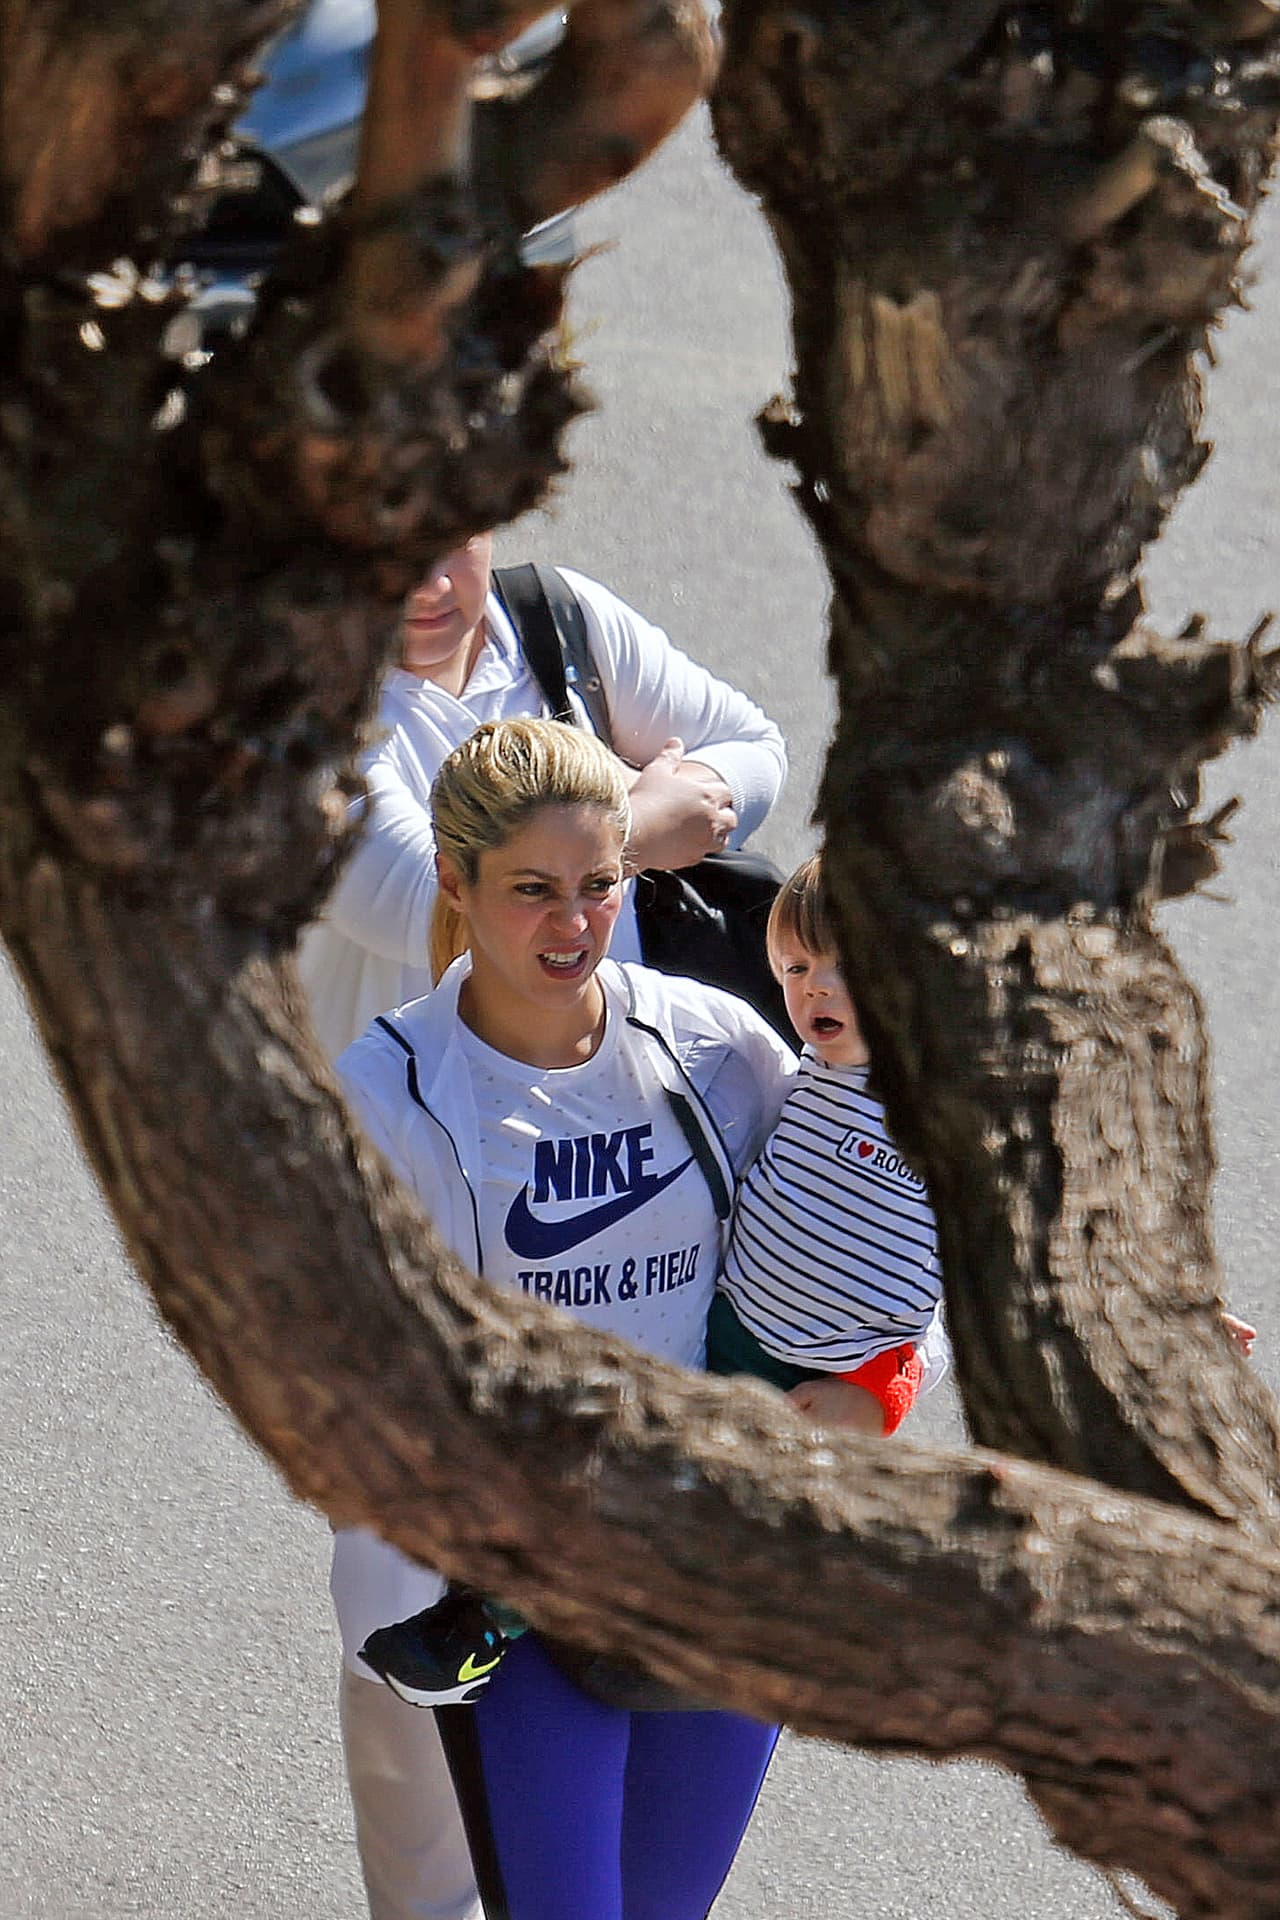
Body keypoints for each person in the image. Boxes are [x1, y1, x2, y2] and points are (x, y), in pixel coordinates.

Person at [331, 717, 797, 1920]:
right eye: (533, 890)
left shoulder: (710, 1046)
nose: (573, 924)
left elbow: (869, 1230)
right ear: (455, 882)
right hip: (512, 1606)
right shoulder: (385, 1098)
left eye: (599, 886)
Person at [359, 852, 948, 1716]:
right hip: (727, 1332)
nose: (813, 989)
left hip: (823, 1381)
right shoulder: (797, 1081)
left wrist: (882, 1391)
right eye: (794, 968)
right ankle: (479, 1624)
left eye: (842, 967)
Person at [298, 533, 788, 1059]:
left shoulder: (554, 618)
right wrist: (641, 820)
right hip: (421, 1115)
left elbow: (753, 748)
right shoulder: (294, 703)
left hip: (620, 1079)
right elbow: (428, 905)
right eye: (391, 552)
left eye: (455, 540)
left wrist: (668, 806)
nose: (430, 585)